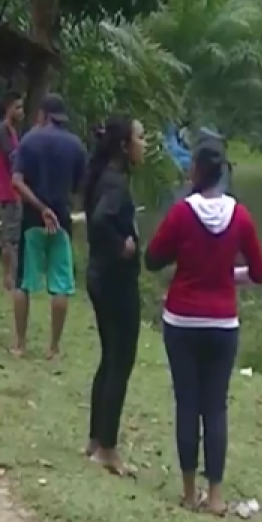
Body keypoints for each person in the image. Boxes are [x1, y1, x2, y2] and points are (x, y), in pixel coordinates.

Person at [144, 141, 262, 516]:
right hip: (222, 323)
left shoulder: (181, 214)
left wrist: (185, 266)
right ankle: (215, 497)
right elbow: (261, 273)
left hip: (182, 320)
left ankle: (187, 492)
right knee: (215, 407)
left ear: (195, 172)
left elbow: (152, 259)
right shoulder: (241, 217)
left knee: (187, 403)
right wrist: (227, 276)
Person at [83, 116, 145, 475]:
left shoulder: (104, 175)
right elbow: (101, 221)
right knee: (120, 361)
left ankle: (96, 439)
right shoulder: (116, 183)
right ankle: (108, 448)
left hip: (99, 278)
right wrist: (123, 244)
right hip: (115, 283)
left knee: (109, 359)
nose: (144, 144)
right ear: (124, 145)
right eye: (140, 137)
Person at [10, 93, 87, 359]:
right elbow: (80, 187)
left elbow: (17, 181)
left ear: (42, 115)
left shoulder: (29, 140)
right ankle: (53, 347)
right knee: (61, 285)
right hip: (62, 221)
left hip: (32, 220)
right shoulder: (76, 145)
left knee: (23, 283)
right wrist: (56, 209)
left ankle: (20, 344)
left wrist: (41, 209)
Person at [0, 92, 24, 291]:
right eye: (18, 107)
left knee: (15, 234)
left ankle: (14, 274)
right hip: (8, 189)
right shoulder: (3, 131)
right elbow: (12, 157)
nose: (21, 112)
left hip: (14, 189)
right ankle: (9, 276)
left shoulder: (12, 130)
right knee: (10, 235)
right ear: (9, 108)